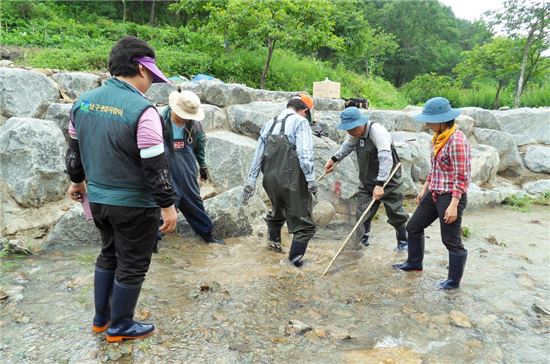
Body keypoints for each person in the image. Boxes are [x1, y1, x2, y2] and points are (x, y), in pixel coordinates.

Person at [65, 36, 178, 342]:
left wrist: (77, 181)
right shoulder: (143, 110)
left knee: (108, 256)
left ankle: (101, 320)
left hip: (98, 200)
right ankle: (121, 326)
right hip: (133, 204)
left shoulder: (82, 102)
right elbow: (155, 166)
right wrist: (167, 205)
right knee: (132, 263)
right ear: (141, 69)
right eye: (151, 77)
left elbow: (74, 151)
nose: (151, 83)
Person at [393, 97, 471, 290]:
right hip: (435, 191)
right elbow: (436, 168)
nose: (427, 124)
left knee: (451, 241)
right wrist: (424, 188)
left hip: (451, 195)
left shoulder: (457, 140)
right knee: (413, 227)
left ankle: (453, 282)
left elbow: (462, 176)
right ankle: (414, 263)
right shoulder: (437, 138)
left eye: (430, 120)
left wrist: (454, 204)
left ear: (443, 120)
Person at [242, 95, 317, 267]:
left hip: (269, 178)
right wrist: (311, 179)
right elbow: (305, 154)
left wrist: (251, 181)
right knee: (304, 225)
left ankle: (273, 249)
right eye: (307, 114)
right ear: (305, 110)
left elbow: (258, 155)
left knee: (277, 212)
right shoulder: (300, 122)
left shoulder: (270, 123)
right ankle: (293, 262)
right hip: (292, 179)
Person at [324, 107, 408, 251]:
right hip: (367, 180)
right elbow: (347, 146)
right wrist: (333, 159)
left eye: (351, 128)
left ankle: (403, 242)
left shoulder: (378, 132)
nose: (349, 132)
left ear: (360, 123)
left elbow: (386, 158)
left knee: (395, 212)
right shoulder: (355, 134)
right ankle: (362, 239)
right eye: (347, 129)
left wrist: (380, 184)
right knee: (362, 212)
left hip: (388, 181)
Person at [160, 90, 224, 244]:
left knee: (194, 202)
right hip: (164, 167)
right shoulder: (160, 120)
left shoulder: (195, 125)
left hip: (187, 167)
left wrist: (203, 168)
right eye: (183, 115)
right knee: (164, 202)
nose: (186, 119)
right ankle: (152, 243)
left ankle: (208, 237)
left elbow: (200, 148)